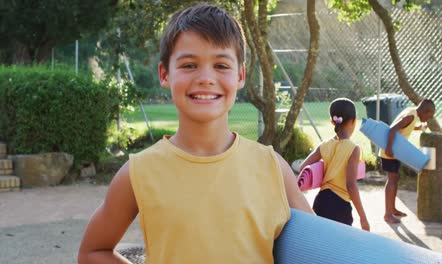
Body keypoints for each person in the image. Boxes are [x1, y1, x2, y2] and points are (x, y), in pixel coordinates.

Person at [78, 3, 312, 264]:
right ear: (165, 74)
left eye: (221, 65)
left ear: (241, 75)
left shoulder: (272, 168)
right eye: (189, 65)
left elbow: (319, 250)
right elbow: (93, 252)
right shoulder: (138, 172)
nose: (205, 78)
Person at [300, 98, 370, 231]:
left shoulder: (324, 145)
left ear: (332, 121)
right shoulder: (353, 149)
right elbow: (351, 185)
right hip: (340, 206)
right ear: (354, 121)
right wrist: (363, 217)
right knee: (338, 247)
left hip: (321, 201)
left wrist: (324, 166)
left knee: (320, 243)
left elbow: (304, 167)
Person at [380, 99, 436, 224]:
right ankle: (387, 214)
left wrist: (418, 127)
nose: (427, 119)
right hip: (390, 150)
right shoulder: (411, 115)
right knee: (392, 179)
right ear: (425, 111)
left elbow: (405, 127)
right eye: (429, 116)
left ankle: (392, 209)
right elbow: (393, 129)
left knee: (395, 178)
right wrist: (388, 147)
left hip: (395, 150)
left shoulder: (412, 114)